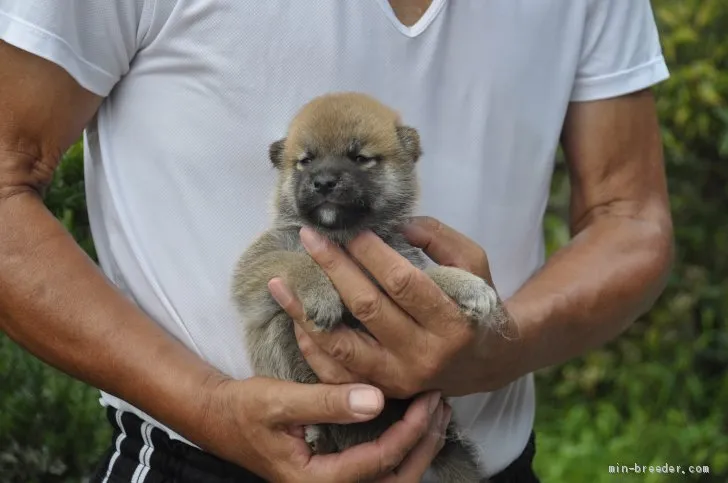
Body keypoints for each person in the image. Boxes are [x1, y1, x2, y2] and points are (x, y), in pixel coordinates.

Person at [0, 0, 674, 482]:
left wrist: (504, 343)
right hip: (207, 459)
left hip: (471, 459)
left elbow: (630, 214)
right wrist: (208, 406)